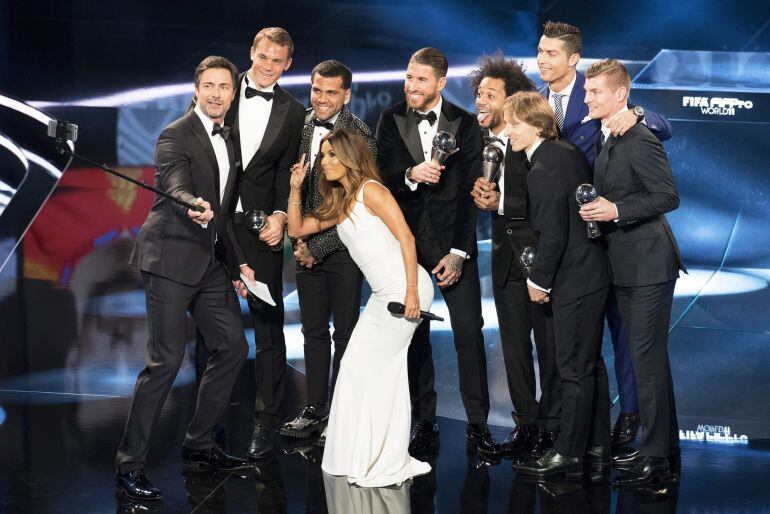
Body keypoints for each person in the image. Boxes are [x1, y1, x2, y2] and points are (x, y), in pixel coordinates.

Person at [115, 56, 251, 501]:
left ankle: (200, 442)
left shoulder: (230, 139)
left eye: (224, 87)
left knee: (232, 346)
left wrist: (237, 263)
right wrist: (190, 201)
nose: (215, 94)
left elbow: (226, 210)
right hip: (171, 258)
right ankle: (129, 465)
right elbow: (175, 185)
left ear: (233, 93)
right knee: (166, 362)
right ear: (196, 89)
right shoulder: (174, 134)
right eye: (208, 85)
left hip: (208, 262)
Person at [536, 21, 674, 447]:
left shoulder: (600, 94)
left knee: (628, 336)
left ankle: (632, 416)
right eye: (539, 51)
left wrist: (634, 114)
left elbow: (662, 128)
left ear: (573, 59)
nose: (542, 59)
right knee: (576, 340)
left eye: (551, 53)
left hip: (612, 235)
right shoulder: (535, 102)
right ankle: (579, 426)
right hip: (565, 240)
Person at [286, 128, 433, 487]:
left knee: (368, 367)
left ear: (350, 155)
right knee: (365, 368)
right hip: (384, 293)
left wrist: (412, 292)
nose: (325, 162)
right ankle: (370, 451)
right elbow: (297, 228)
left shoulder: (372, 190)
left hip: (406, 287)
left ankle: (382, 456)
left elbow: (407, 237)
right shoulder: (343, 201)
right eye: (323, 156)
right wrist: (294, 188)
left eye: (332, 155)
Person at [376, 47, 497, 455]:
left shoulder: (465, 123)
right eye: (409, 77)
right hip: (406, 247)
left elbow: (470, 195)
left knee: (468, 332)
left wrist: (460, 252)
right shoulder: (390, 118)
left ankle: (478, 424)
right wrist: (410, 174)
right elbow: (379, 179)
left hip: (451, 246)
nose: (411, 85)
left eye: (421, 79)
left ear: (440, 82)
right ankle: (423, 420)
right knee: (415, 335)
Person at [580, 59, 686, 486]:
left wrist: (616, 210)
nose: (587, 99)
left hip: (648, 265)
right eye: (587, 92)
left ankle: (656, 458)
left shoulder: (637, 136)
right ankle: (666, 450)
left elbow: (668, 195)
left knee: (646, 362)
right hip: (626, 265)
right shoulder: (610, 135)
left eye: (595, 93)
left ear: (620, 95)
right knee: (649, 360)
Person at [495, 92, 610, 477]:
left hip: (573, 279)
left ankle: (568, 454)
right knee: (589, 365)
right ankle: (596, 446)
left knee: (573, 370)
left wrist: (538, 281)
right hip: (593, 272)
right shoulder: (566, 152)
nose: (507, 131)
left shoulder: (542, 168)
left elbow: (552, 234)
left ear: (539, 125)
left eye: (514, 123)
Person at [208, 27, 305, 459]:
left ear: (288, 64)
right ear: (251, 53)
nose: (267, 66)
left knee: (269, 328)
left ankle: (266, 421)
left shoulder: (292, 109)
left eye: (276, 60)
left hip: (263, 228)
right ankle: (206, 426)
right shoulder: (221, 92)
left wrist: (283, 217)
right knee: (211, 327)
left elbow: (287, 170)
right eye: (262, 57)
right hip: (213, 227)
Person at [279, 60, 375, 442]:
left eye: (331, 92)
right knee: (312, 331)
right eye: (317, 90)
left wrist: (315, 246)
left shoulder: (361, 135)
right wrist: (299, 242)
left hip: (343, 249)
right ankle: (316, 409)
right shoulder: (299, 124)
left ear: (346, 95)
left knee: (345, 333)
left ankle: (343, 412)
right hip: (304, 243)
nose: (321, 98)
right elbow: (290, 183)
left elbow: (359, 205)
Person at [469, 53, 560, 458]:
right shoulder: (480, 143)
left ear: (511, 100)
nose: (481, 101)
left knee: (549, 344)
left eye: (490, 94)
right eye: (478, 94)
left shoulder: (534, 143)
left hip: (539, 258)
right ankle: (525, 423)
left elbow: (544, 200)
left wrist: (500, 201)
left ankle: (555, 427)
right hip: (504, 258)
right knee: (513, 346)